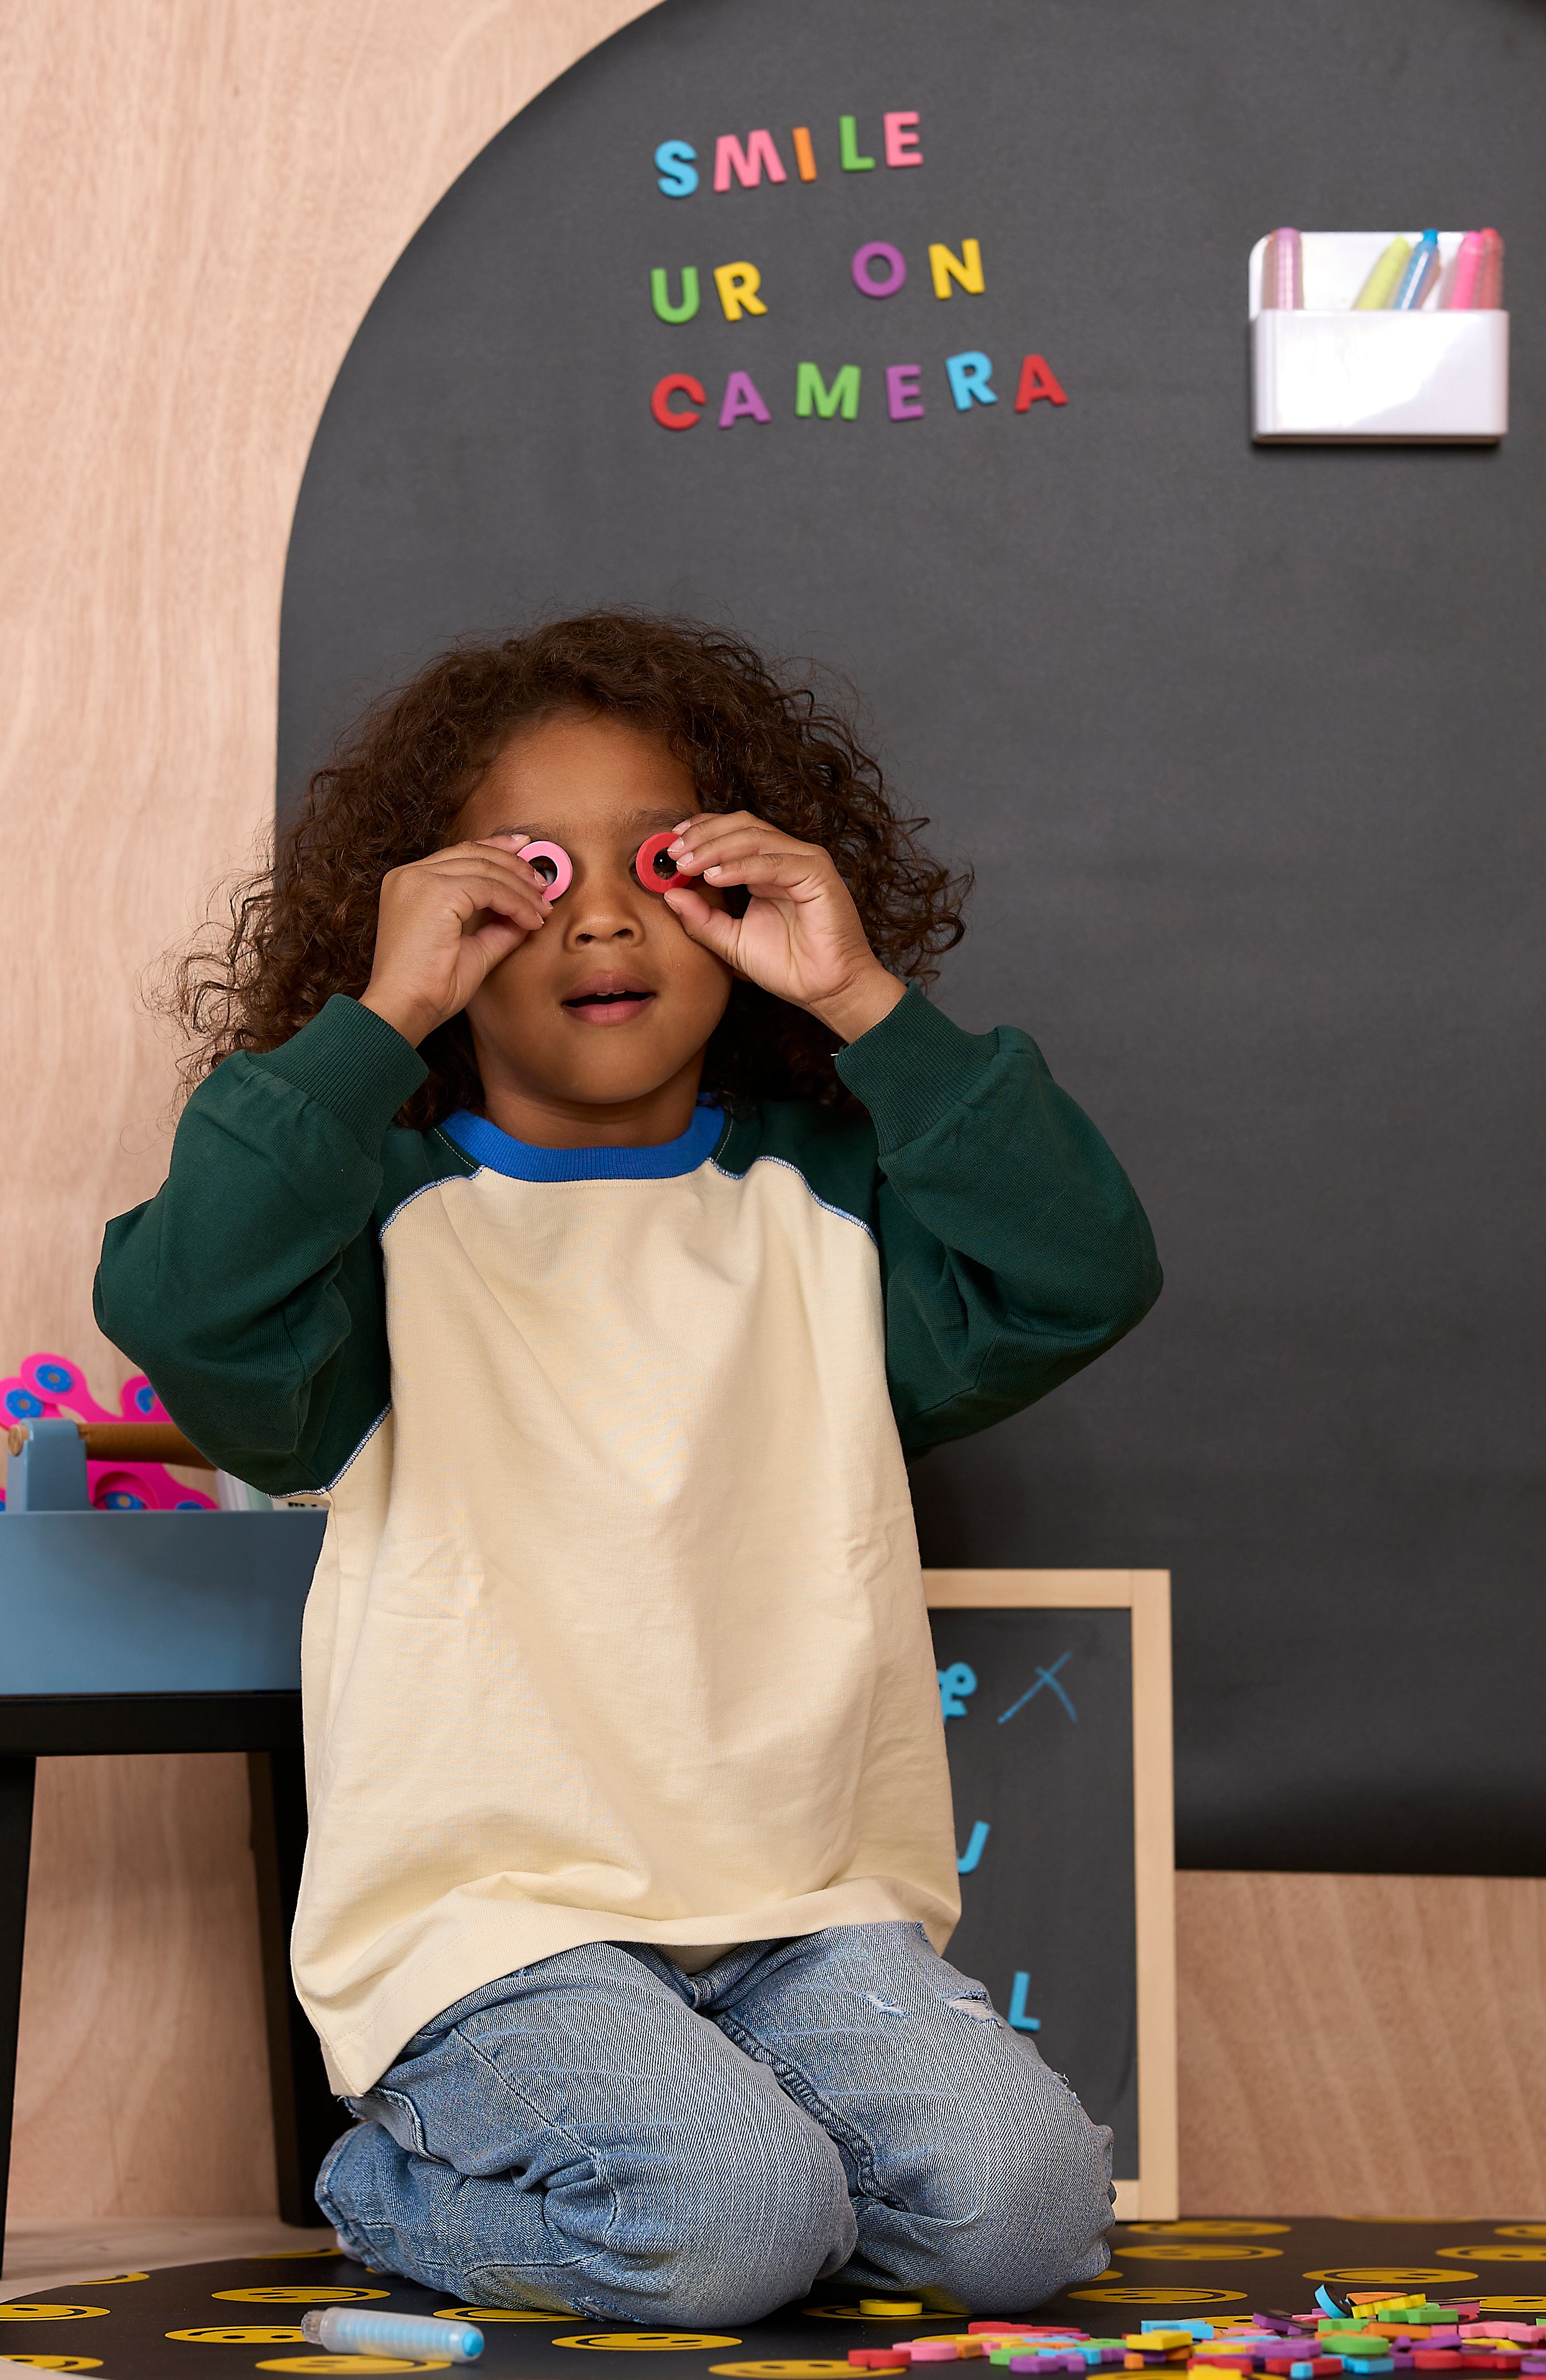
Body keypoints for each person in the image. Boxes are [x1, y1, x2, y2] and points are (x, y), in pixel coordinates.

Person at [95, 613, 1162, 2324]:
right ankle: (395, 2181)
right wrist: (381, 1017)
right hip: (498, 1929)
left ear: (739, 892)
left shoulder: (831, 1208)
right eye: (526, 873)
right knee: (726, 2229)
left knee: (1027, 2221)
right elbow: (181, 1302)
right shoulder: (379, 1225)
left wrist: (864, 998)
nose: (596, 910)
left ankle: (755, 2181)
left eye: (658, 862)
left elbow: (1082, 1272)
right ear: (436, 914)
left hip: (808, 1914)